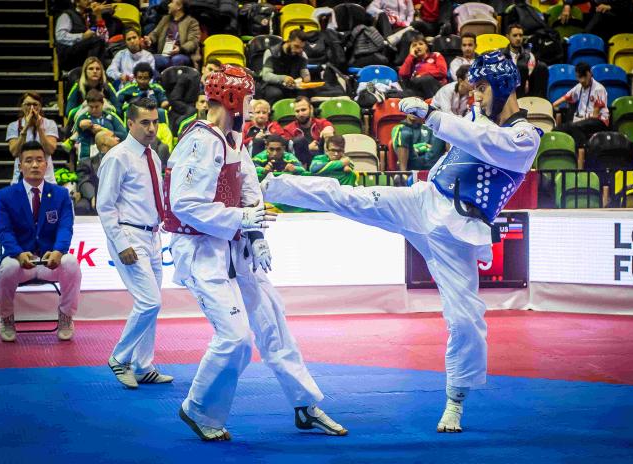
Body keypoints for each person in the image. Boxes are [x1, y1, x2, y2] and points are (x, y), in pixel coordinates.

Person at [261, 51, 541, 433]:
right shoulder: (478, 115)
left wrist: (433, 116)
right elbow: (467, 126)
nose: (475, 95)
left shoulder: (524, 137)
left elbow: (478, 138)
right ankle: (267, 186)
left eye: (482, 87)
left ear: (505, 85)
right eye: (473, 88)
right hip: (423, 201)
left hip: (458, 234)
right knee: (350, 198)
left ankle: (455, 402)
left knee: (466, 319)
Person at [165, 64, 347, 441]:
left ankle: (304, 404)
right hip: (202, 249)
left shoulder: (232, 138)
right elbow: (184, 203)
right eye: (247, 99)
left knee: (273, 324)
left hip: (236, 244)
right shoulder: (200, 141)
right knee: (235, 338)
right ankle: (198, 409)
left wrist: (254, 231)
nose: (251, 106)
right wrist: (241, 217)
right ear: (232, 98)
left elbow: (248, 184)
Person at [97, 98, 173, 389]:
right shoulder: (117, 157)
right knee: (149, 301)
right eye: (145, 122)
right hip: (128, 236)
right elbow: (105, 205)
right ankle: (119, 357)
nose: (152, 128)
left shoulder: (152, 156)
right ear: (129, 123)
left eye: (155, 122)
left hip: (153, 236)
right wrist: (119, 242)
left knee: (153, 303)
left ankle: (143, 366)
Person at [0, 141, 81, 342]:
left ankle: (66, 315)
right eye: (29, 161)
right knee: (6, 269)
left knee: (71, 264)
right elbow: (4, 230)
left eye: (39, 160)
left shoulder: (60, 194)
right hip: (20, 261)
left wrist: (59, 251)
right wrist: (17, 253)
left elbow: (65, 227)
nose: (34, 165)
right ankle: (6, 317)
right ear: (20, 165)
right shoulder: (5, 196)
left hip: (50, 261)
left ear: (46, 164)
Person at [552, 61, 609, 150]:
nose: (581, 81)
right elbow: (565, 97)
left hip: (598, 121)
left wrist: (579, 121)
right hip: (582, 121)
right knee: (557, 129)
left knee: (574, 126)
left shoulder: (599, 89)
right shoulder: (579, 87)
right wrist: (551, 106)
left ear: (589, 74)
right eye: (579, 78)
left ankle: (583, 149)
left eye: (583, 77)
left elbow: (595, 115)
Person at [6, 92, 59, 184]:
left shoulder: (50, 124)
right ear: (22, 107)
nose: (32, 108)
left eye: (35, 104)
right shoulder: (13, 126)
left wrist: (39, 128)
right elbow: (14, 152)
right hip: (21, 178)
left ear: (40, 106)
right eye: (28, 104)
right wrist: (25, 127)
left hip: (46, 178)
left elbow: (50, 150)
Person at [144, 0, 201, 71]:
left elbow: (193, 42)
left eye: (171, 2)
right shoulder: (165, 19)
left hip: (183, 55)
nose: (168, 5)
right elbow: (155, 33)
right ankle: (157, 79)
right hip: (165, 55)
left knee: (176, 59)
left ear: (179, 6)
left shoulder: (192, 22)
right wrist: (150, 39)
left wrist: (180, 49)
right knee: (149, 58)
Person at [258, 29, 311, 103]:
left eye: (302, 47)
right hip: (273, 85)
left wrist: (305, 77)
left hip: (293, 86)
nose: (299, 50)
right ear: (288, 41)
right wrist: (283, 78)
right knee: (276, 94)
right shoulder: (271, 52)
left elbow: (305, 74)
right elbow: (266, 75)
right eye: (296, 46)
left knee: (306, 93)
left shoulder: (302, 55)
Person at [75, 130, 119, 215]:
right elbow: (84, 182)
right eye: (113, 136)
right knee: (81, 207)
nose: (117, 138)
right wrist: (93, 196)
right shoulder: (87, 163)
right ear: (104, 143)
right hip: (96, 196)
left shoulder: (125, 161)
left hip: (119, 198)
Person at [74, 89, 128, 161]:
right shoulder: (83, 117)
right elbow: (79, 126)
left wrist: (103, 131)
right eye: (91, 107)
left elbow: (124, 135)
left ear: (102, 104)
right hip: (86, 157)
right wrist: (81, 125)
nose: (93, 110)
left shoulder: (111, 117)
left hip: (110, 155)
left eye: (96, 107)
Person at [282, 96, 335, 168]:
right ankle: (303, 173)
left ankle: (329, 167)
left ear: (311, 109)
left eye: (303, 110)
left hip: (321, 157)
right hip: (300, 162)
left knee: (328, 134)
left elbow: (328, 127)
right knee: (299, 141)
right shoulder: (288, 129)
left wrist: (328, 130)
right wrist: (307, 147)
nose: (300, 114)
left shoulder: (320, 123)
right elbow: (288, 152)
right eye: (297, 111)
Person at [65, 56, 121, 124]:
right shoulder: (77, 86)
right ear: (85, 71)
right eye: (91, 69)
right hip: (82, 123)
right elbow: (69, 113)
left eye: (98, 69)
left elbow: (118, 111)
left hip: (105, 123)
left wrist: (108, 107)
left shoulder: (107, 86)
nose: (94, 71)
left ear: (102, 71)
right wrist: (82, 107)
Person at [54, 0, 106, 71]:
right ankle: (90, 70)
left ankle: (94, 71)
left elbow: (103, 38)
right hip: (69, 54)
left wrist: (98, 15)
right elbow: (60, 37)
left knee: (99, 42)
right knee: (95, 41)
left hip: (86, 52)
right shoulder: (67, 15)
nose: (90, 1)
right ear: (77, 2)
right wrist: (82, 36)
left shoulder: (91, 16)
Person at [398, 34, 448, 99]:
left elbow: (442, 72)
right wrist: (411, 56)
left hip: (435, 87)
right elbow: (403, 74)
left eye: (421, 44)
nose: (418, 47)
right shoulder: (411, 61)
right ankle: (384, 94)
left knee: (426, 79)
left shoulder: (435, 55)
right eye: (414, 45)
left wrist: (423, 75)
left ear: (426, 46)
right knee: (400, 93)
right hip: (418, 90)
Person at [500, 24, 536, 97]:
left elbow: (530, 77)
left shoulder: (529, 56)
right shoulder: (499, 55)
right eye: (515, 35)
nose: (518, 38)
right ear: (508, 37)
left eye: (520, 35)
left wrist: (527, 80)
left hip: (522, 94)